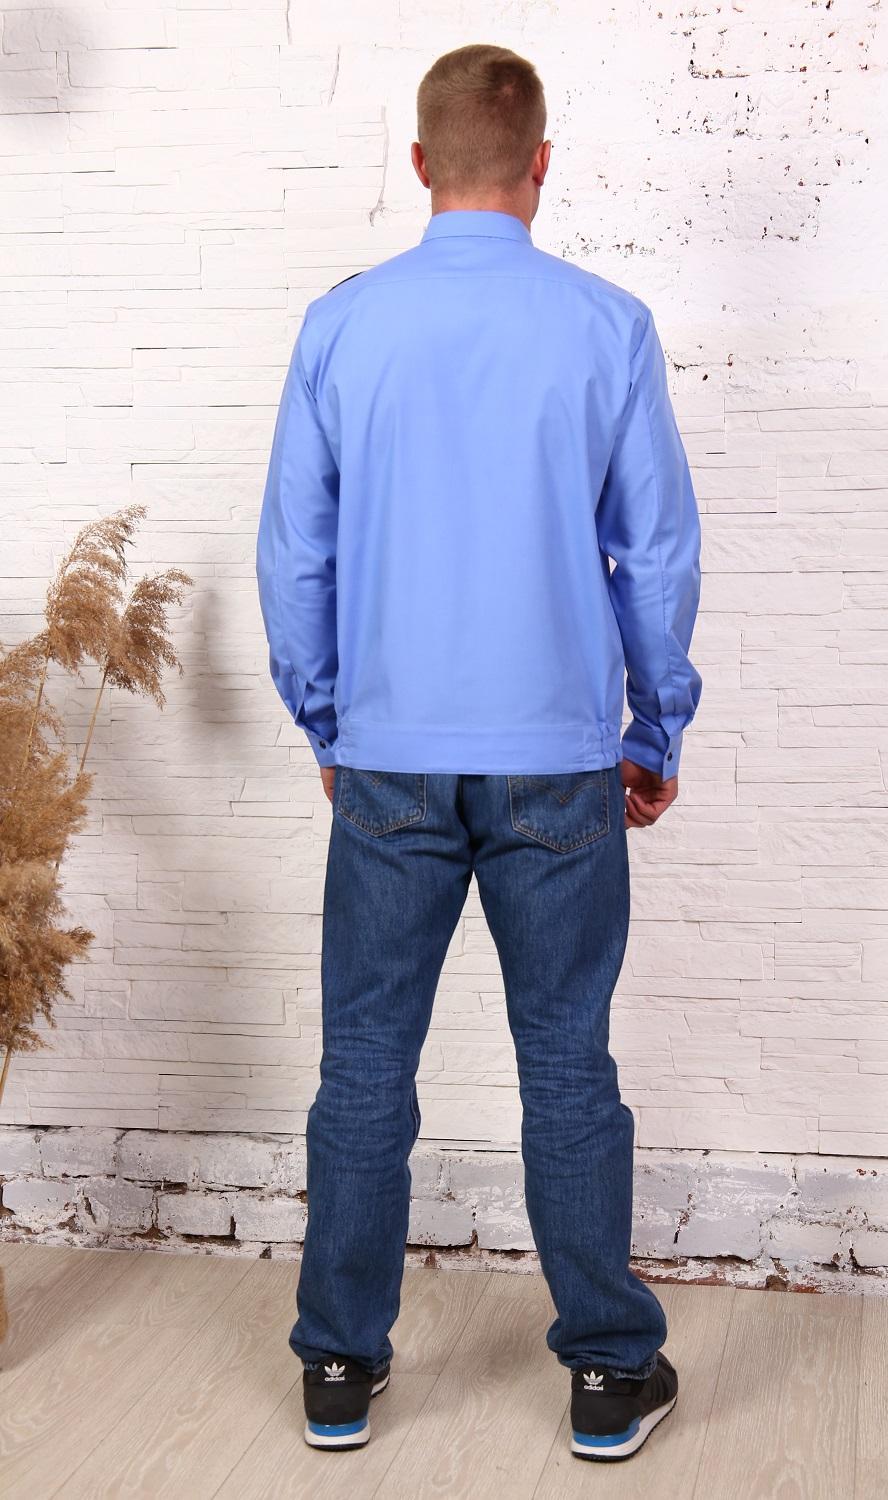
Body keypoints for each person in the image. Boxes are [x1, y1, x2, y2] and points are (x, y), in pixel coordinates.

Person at [255, 41, 703, 1464]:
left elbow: (295, 556)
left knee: (363, 1063)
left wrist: (329, 718)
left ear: (419, 163)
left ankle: (338, 1366)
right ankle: (609, 1374)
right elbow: (657, 553)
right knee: (567, 1062)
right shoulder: (607, 325)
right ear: (542, 164)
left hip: (388, 755)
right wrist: (656, 724)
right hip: (558, 761)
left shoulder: (343, 327)